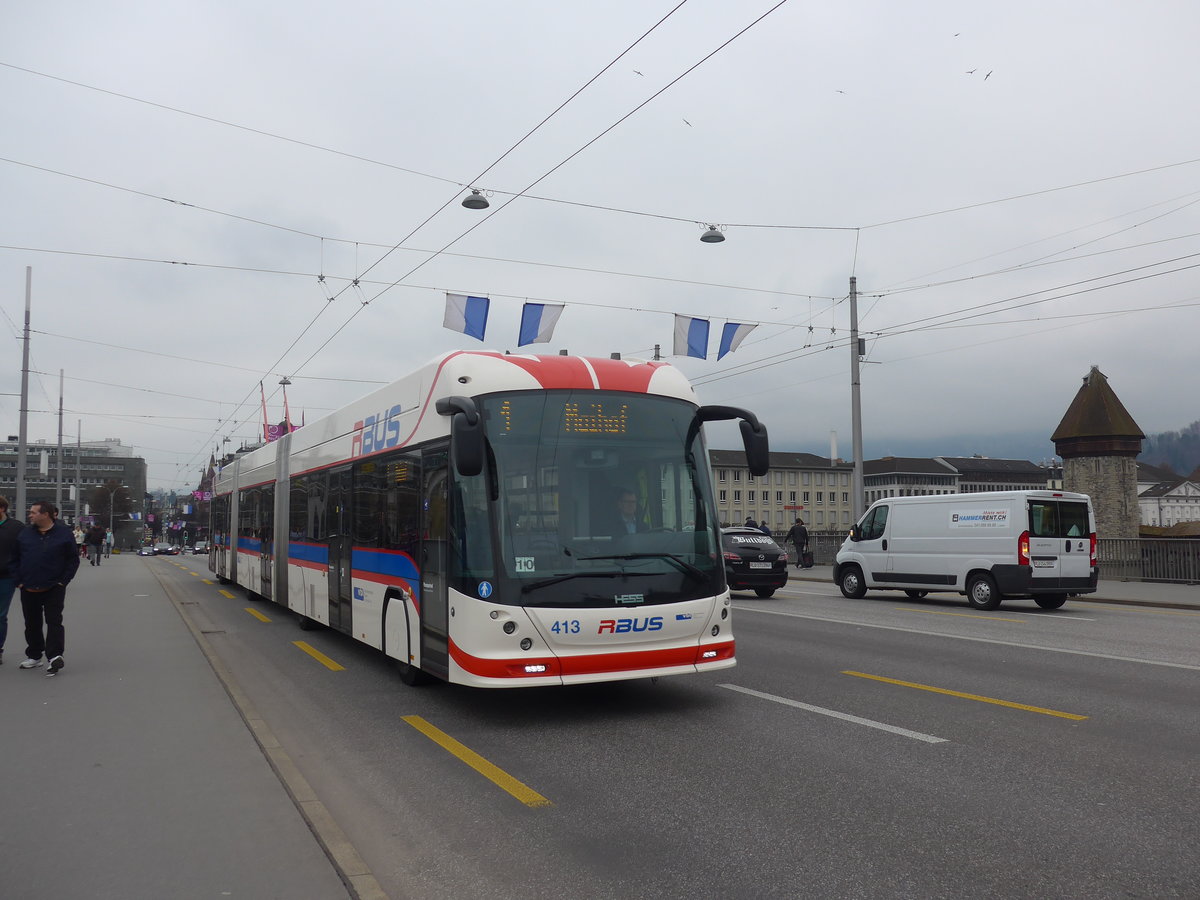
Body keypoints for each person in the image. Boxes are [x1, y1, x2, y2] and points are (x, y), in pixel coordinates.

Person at [15, 500, 80, 676]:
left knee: (54, 621)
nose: (30, 515)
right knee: (32, 623)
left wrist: (63, 581)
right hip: (28, 586)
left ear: (46, 514)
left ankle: (55, 656)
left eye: (33, 512)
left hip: (53, 587)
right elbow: (15, 558)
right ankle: (35, 655)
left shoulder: (64, 534)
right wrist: (18, 580)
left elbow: (73, 560)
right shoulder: (25, 534)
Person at [0, 495, 25, 666]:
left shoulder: (16, 527)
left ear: (2, 509)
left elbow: (26, 550)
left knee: (0, 615)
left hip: (5, 577)